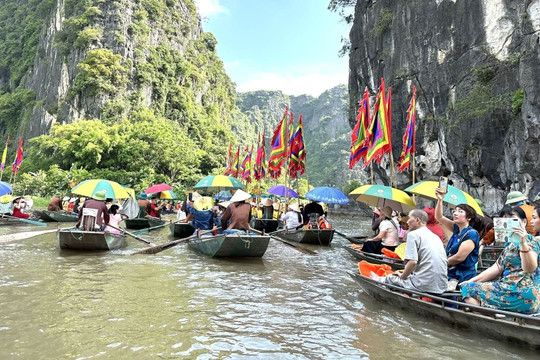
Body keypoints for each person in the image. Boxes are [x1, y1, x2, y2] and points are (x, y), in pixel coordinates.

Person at [461, 206, 540, 314]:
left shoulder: (531, 241)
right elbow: (497, 268)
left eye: (512, 219)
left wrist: (523, 243)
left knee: (468, 291)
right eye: (504, 220)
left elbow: (530, 268)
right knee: (466, 288)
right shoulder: (509, 245)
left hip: (523, 293)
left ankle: (491, 317)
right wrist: (471, 281)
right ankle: (494, 316)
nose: (507, 223)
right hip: (507, 288)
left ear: (524, 222)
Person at [382, 209, 448, 293]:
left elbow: (412, 262)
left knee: (389, 278)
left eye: (409, 218)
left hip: (423, 285)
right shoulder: (435, 237)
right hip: (442, 285)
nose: (407, 222)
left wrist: (402, 277)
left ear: (417, 220)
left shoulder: (413, 235)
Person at [435, 188, 480, 284]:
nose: (455, 213)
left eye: (460, 211)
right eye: (455, 211)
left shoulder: (471, 234)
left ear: (468, 217)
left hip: (464, 275)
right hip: (451, 272)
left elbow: (460, 257)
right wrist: (440, 200)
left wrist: (440, 264)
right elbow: (439, 217)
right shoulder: (456, 228)